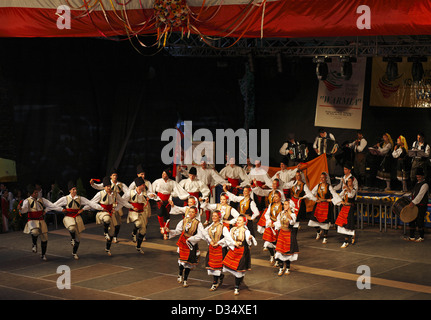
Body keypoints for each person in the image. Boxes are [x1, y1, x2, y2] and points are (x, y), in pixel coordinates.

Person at [53, 181, 103, 259]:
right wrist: (61, 209)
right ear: (70, 190)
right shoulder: (65, 198)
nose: (75, 191)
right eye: (73, 189)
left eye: (75, 189)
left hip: (77, 217)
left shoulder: (80, 198)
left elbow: (90, 203)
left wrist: (101, 208)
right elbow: (54, 205)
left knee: (78, 238)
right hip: (69, 217)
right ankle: (72, 239)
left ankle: (74, 252)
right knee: (71, 228)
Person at [90, 177, 133, 256]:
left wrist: (131, 206)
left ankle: (108, 248)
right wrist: (99, 208)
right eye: (107, 186)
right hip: (102, 212)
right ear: (104, 187)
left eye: (109, 186)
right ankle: (105, 232)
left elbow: (122, 202)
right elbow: (92, 202)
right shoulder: (100, 194)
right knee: (106, 219)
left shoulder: (115, 193)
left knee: (112, 232)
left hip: (111, 212)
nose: (108, 188)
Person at [166, 206, 205, 288]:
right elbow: (178, 231)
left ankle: (185, 280)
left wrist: (193, 239)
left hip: (191, 243)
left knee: (188, 262)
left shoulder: (198, 223)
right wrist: (169, 231)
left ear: (195, 214)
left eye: (192, 212)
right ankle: (180, 274)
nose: (190, 213)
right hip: (183, 242)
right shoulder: (184, 221)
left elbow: (201, 234)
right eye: (189, 212)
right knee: (182, 260)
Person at [18, 185, 58, 261]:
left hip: (41, 220)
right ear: (31, 194)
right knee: (35, 232)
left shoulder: (41, 200)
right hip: (32, 220)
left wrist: (59, 209)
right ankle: (34, 244)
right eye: (35, 193)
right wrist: (20, 209)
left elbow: (51, 205)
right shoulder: (27, 201)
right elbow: (24, 210)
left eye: (37, 192)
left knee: (44, 238)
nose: (37, 194)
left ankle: (43, 255)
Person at [183, 159, 226, 225]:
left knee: (206, 204)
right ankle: (187, 220)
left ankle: (207, 219)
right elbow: (189, 174)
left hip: (205, 188)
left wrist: (224, 182)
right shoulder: (197, 169)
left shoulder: (210, 170)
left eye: (204, 162)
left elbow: (217, 177)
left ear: (207, 163)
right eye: (202, 162)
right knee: (191, 206)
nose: (203, 164)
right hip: (197, 188)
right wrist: (182, 171)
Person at [149, 168, 190, 240]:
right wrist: (152, 195)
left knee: (167, 216)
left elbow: (178, 190)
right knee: (160, 213)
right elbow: (151, 190)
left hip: (167, 200)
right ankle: (162, 227)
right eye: (163, 173)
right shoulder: (157, 181)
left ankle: (166, 233)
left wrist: (186, 196)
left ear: (168, 175)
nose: (163, 175)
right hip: (159, 199)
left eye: (165, 174)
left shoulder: (172, 182)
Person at [222, 215, 257, 296]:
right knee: (230, 266)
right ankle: (239, 281)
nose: (238, 222)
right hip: (233, 250)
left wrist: (249, 238)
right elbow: (229, 239)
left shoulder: (246, 231)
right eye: (237, 220)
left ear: (244, 222)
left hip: (242, 251)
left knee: (239, 269)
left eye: (240, 220)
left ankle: (237, 287)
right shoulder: (233, 229)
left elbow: (248, 243)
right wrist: (233, 244)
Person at [307, 172, 342, 244]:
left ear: (326, 179)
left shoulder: (329, 186)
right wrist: (314, 199)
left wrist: (331, 200)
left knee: (325, 222)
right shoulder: (318, 186)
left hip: (326, 205)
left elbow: (334, 194)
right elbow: (312, 193)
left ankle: (325, 237)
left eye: (323, 178)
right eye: (321, 178)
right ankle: (318, 231)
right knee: (313, 220)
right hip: (319, 204)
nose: (321, 179)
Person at [203, 210, 231, 291]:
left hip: (220, 248)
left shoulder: (223, 227)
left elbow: (227, 237)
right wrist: (210, 241)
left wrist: (218, 242)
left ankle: (215, 283)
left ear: (219, 217)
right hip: (212, 248)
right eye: (213, 216)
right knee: (212, 266)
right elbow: (205, 234)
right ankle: (218, 278)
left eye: (215, 216)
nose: (214, 217)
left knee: (217, 266)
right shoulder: (210, 227)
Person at [122, 177, 151, 254]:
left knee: (143, 230)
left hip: (142, 213)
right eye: (142, 184)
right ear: (139, 185)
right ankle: (134, 232)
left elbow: (150, 197)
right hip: (133, 212)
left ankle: (138, 246)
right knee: (138, 224)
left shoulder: (144, 194)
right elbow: (123, 201)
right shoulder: (130, 193)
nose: (144, 185)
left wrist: (153, 197)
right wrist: (131, 207)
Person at [274, 200, 299, 276]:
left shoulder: (293, 214)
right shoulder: (281, 213)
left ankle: (287, 267)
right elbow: (278, 222)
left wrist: (289, 215)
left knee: (287, 252)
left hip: (288, 234)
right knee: (279, 251)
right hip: (282, 233)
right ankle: (281, 267)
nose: (284, 206)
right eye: (284, 204)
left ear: (290, 206)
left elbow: (292, 223)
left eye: (286, 204)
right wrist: (276, 226)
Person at [406, 167, 429, 242]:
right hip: (415, 205)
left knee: (420, 220)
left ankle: (421, 237)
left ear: (423, 176)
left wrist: (413, 202)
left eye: (419, 177)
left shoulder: (425, 185)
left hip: (421, 205)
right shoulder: (417, 183)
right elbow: (414, 193)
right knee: (412, 219)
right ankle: (412, 236)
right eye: (417, 177)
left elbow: (420, 195)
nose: (418, 178)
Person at [262, 190, 283, 265]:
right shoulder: (271, 204)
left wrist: (275, 224)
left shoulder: (282, 206)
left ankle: (277, 259)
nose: (275, 198)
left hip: (278, 226)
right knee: (268, 242)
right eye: (274, 196)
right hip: (270, 225)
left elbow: (283, 217)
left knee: (276, 243)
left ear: (280, 197)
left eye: (276, 196)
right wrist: (269, 221)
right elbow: (267, 214)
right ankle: (272, 255)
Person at [335, 177, 357, 248]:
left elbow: (351, 195)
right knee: (343, 224)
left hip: (350, 209)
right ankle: (350, 236)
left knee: (348, 224)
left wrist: (344, 184)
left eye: (350, 181)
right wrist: (341, 201)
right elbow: (339, 196)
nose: (348, 183)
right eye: (348, 182)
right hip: (344, 208)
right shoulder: (345, 190)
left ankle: (346, 241)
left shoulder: (354, 190)